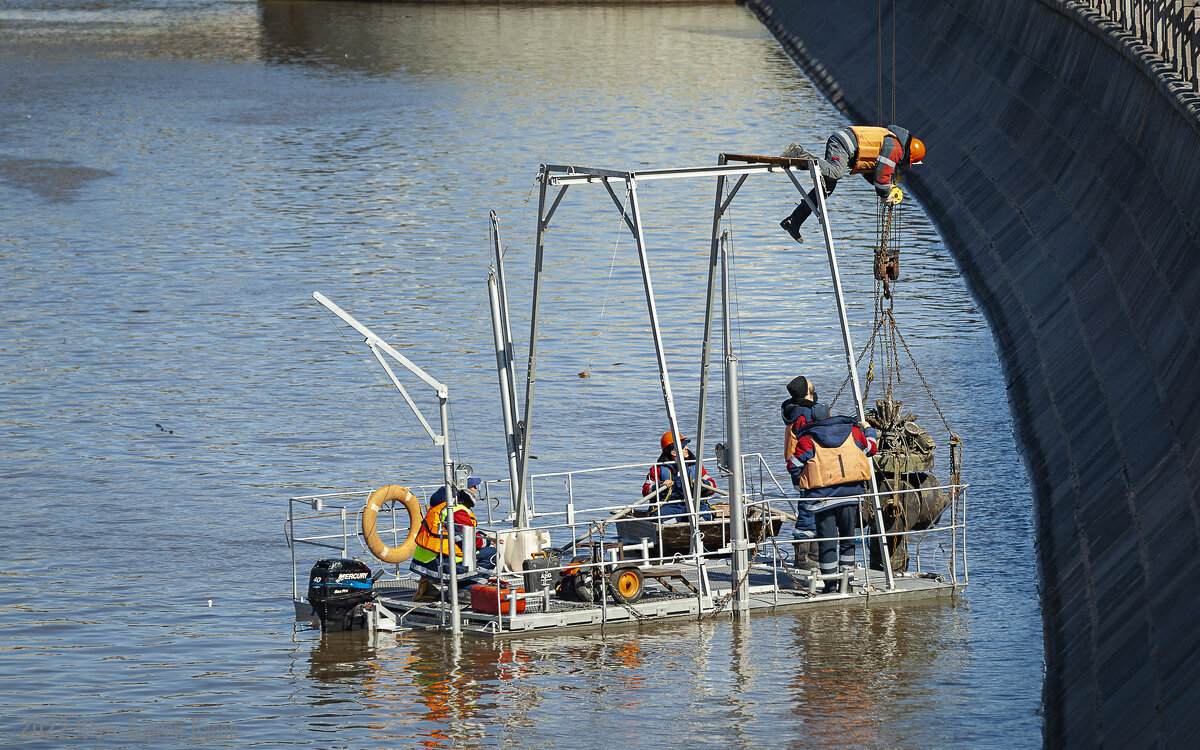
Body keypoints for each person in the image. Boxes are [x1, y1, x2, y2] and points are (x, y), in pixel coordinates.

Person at [787, 403, 879, 593]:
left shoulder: (808, 439)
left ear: (812, 419)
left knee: (827, 542)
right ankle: (847, 584)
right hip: (851, 496)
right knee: (847, 540)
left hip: (822, 500)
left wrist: (800, 484)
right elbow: (871, 448)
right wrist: (869, 430)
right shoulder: (853, 431)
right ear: (830, 415)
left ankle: (829, 586)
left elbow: (793, 465)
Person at [779, 124, 925, 242]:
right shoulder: (895, 148)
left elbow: (873, 175)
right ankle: (799, 153)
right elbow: (882, 176)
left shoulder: (893, 143)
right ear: (909, 156)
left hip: (844, 145)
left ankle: (794, 221)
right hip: (842, 144)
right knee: (836, 171)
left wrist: (884, 187)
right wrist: (886, 193)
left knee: (827, 187)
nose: (903, 166)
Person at [410, 476, 489, 602]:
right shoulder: (458, 511)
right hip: (441, 565)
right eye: (474, 487)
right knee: (493, 554)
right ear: (466, 490)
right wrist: (489, 541)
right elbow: (471, 543)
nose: (476, 491)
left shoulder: (442, 507)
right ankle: (464, 590)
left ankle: (433, 587)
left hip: (425, 563)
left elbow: (458, 535)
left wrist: (483, 536)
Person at [781, 376, 818, 566]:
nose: (814, 385)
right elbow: (812, 440)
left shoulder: (792, 410)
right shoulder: (805, 414)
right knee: (809, 511)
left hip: (797, 465)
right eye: (810, 383)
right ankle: (806, 558)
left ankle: (810, 556)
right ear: (806, 391)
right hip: (805, 467)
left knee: (810, 508)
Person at [642, 431, 717, 522]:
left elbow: (712, 486)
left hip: (693, 503)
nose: (687, 448)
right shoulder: (658, 469)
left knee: (705, 515)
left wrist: (702, 484)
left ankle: (701, 526)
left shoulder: (696, 466)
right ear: (673, 452)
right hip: (669, 505)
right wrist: (660, 485)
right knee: (661, 519)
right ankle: (672, 531)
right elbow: (646, 491)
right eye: (683, 446)